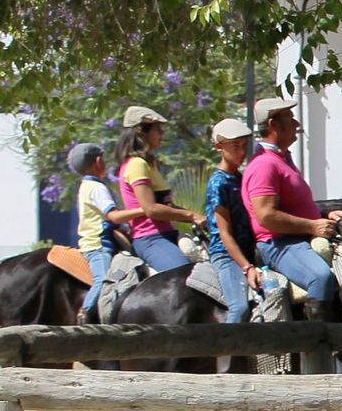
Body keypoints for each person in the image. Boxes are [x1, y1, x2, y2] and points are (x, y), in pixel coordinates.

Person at [241, 96, 342, 318]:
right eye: (290, 118)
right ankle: (315, 346)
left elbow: (293, 205)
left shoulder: (281, 159)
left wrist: (323, 214)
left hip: (296, 238)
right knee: (321, 277)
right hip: (279, 243)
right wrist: (312, 226)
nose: (296, 124)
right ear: (272, 125)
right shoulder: (264, 165)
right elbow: (266, 216)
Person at [113, 104, 206, 272]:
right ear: (141, 131)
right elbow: (152, 209)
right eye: (157, 129)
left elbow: (167, 206)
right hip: (150, 238)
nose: (162, 134)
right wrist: (191, 215)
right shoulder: (137, 165)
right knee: (185, 277)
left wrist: (201, 218)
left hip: (166, 235)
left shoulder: (150, 164)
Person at [68, 142, 142, 318]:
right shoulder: (97, 188)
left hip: (91, 242)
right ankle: (85, 314)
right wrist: (144, 210)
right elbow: (114, 216)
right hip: (99, 245)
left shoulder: (85, 186)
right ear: (98, 161)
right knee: (103, 280)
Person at [203, 118, 262, 323]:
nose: (241, 151)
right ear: (219, 147)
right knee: (239, 308)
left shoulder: (241, 177)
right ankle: (229, 352)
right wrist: (247, 267)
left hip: (249, 250)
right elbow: (224, 234)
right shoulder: (218, 183)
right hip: (226, 255)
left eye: (244, 145)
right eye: (235, 146)